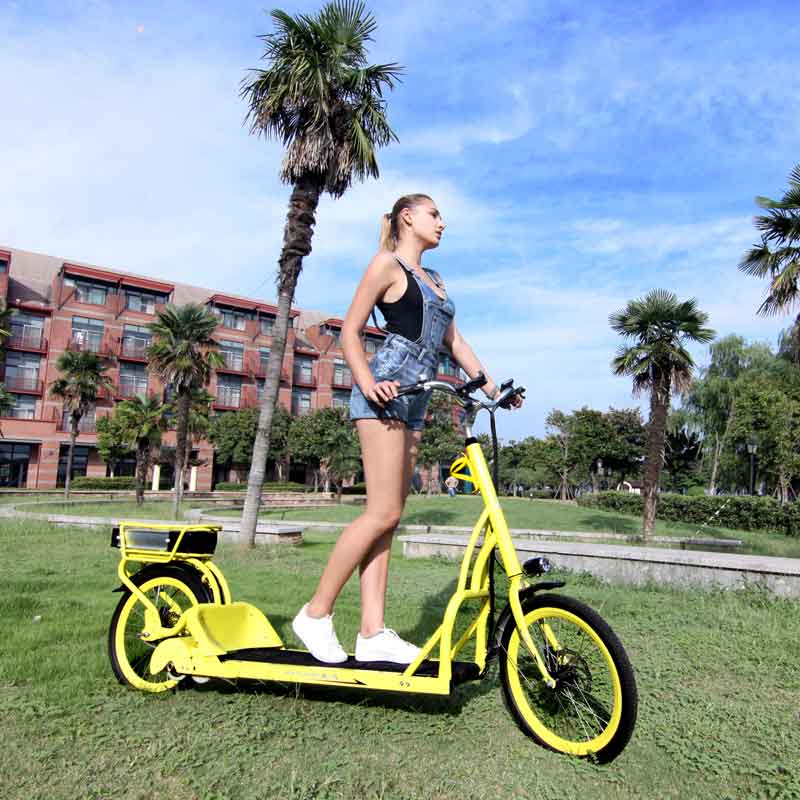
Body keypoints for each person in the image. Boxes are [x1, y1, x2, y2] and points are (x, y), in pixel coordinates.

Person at [292, 193, 523, 664]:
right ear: (407, 217)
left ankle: (372, 632)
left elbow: (455, 342)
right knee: (380, 512)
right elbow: (350, 331)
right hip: (384, 393)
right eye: (434, 214)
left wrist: (493, 387)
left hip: (418, 398)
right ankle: (315, 614)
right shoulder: (387, 265)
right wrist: (367, 382)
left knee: (390, 517)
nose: (442, 222)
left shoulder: (435, 280)